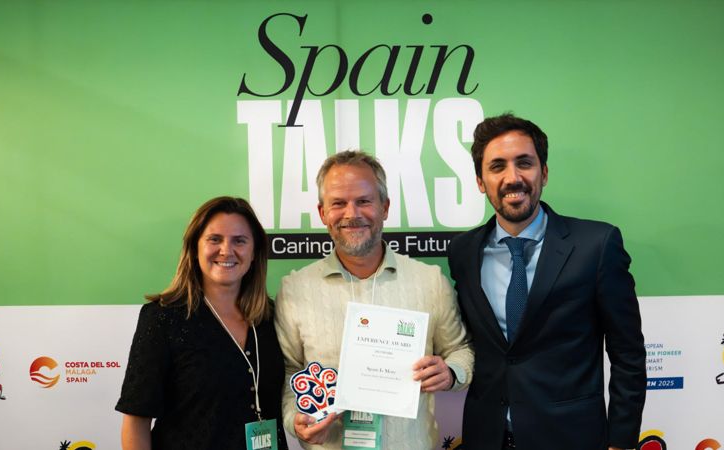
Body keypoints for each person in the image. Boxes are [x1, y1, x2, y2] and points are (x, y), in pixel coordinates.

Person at [447, 114, 646, 450]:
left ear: (545, 173)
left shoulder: (596, 245)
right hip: (486, 437)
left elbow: (628, 353)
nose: (513, 177)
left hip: (571, 438)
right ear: (481, 181)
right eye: (497, 167)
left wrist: (621, 442)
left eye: (524, 163)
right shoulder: (463, 252)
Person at [275, 150, 474, 450]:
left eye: (364, 201)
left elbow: (461, 350)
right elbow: (289, 372)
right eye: (338, 203)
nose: (352, 214)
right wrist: (296, 420)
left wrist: (451, 372)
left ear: (385, 207)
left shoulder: (430, 281)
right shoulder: (295, 289)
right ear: (322, 213)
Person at [116, 196, 287, 450]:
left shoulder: (271, 316)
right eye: (214, 239)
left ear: (254, 253)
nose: (226, 250)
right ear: (195, 249)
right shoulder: (163, 318)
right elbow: (136, 421)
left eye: (239, 241)